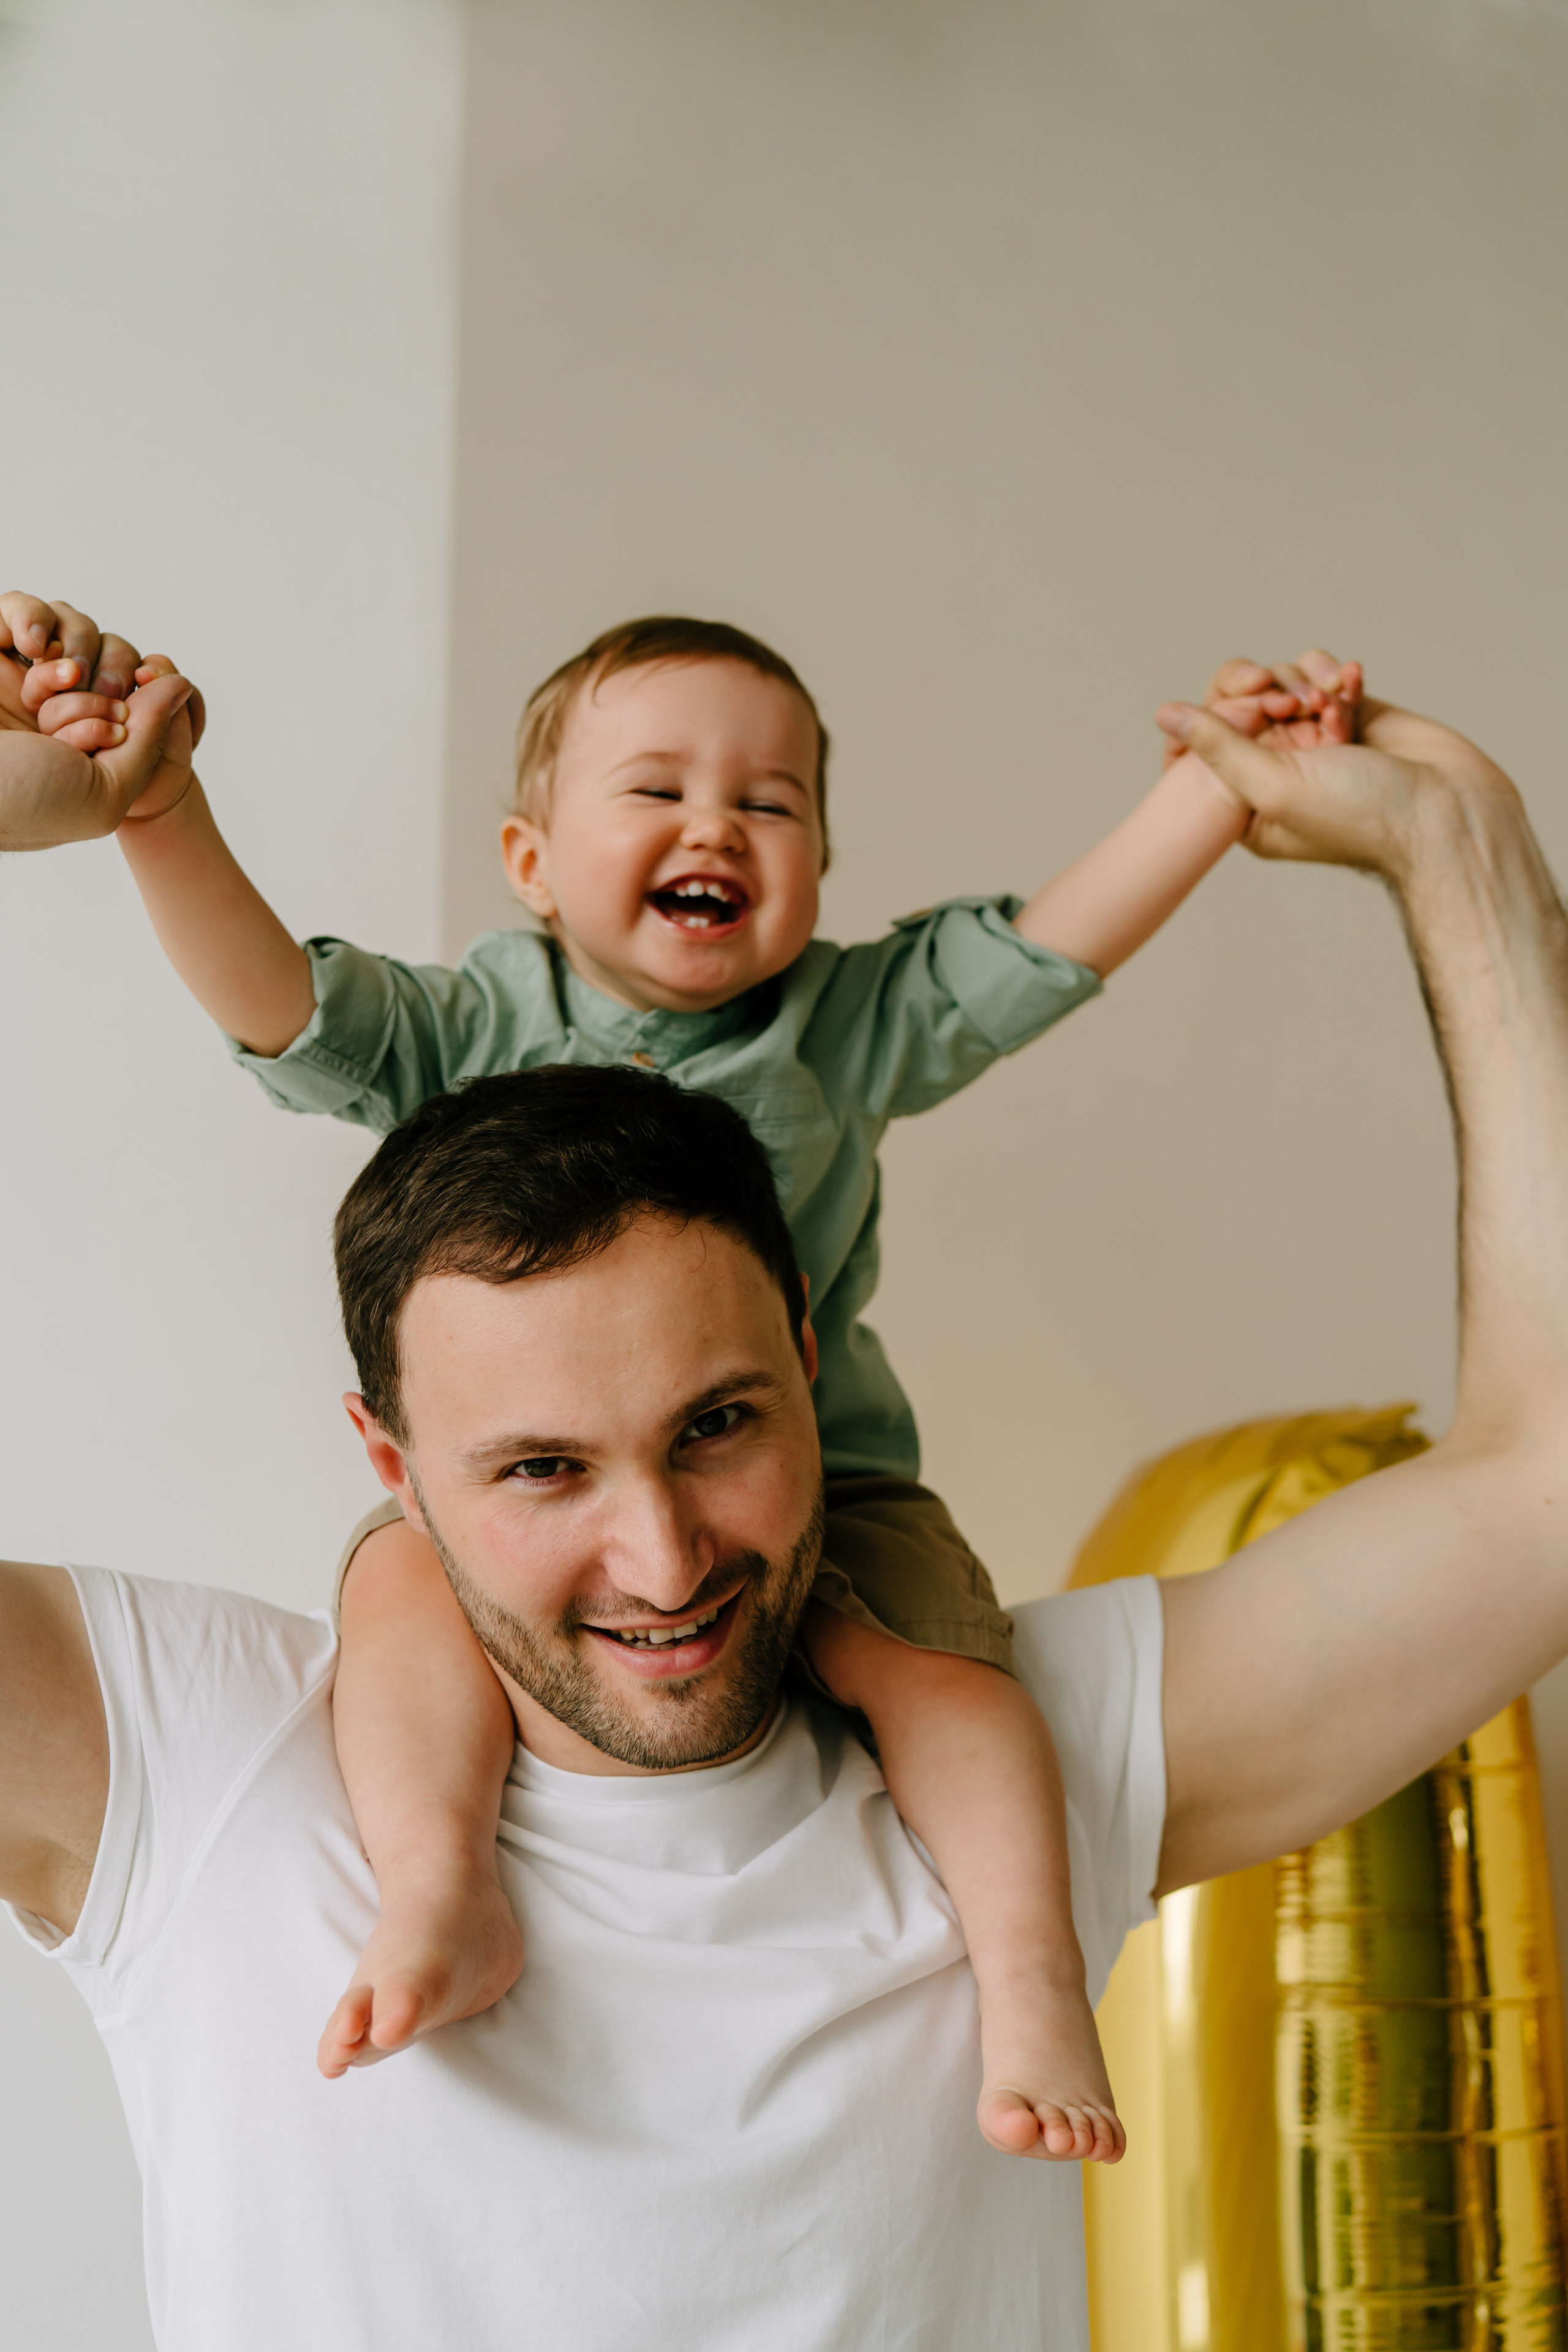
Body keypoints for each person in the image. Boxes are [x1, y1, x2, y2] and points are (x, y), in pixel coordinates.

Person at [6, 598, 1568, 2351]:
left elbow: (1545, 1495)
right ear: (393, 1457)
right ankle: (443, 1896)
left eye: (720, 1426)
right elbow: (287, 999)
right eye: (537, 1468)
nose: (662, 1555)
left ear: (812, 1358)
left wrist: (1458, 837)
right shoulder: (187, 1779)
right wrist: (120, 813)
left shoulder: (1018, 1775)